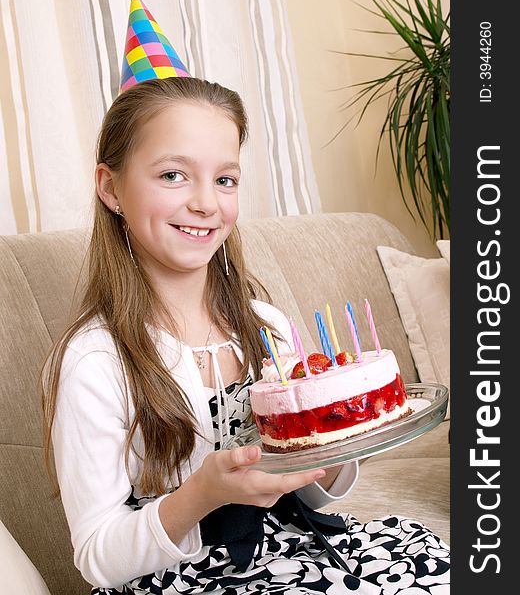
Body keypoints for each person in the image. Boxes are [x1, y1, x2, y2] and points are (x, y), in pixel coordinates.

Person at [41, 75, 449, 594]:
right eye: (173, 175)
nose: (206, 204)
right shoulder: (94, 360)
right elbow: (97, 557)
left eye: (225, 180)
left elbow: (304, 481)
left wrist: (338, 449)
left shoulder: (264, 327)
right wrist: (203, 493)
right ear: (111, 187)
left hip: (288, 548)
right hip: (176, 580)